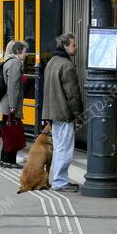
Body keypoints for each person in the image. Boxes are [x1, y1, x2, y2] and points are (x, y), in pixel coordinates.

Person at [42, 33, 84, 193]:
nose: (76, 47)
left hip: (52, 111)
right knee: (64, 148)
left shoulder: (52, 62)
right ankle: (60, 182)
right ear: (65, 46)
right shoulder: (67, 65)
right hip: (64, 113)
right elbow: (73, 94)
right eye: (73, 45)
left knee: (59, 146)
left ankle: (59, 180)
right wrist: (78, 114)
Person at [0, 40, 28, 168]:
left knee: (8, 133)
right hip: (10, 106)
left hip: (5, 104)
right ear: (18, 52)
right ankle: (10, 161)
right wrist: (13, 107)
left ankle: (5, 160)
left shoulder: (7, 61)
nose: (26, 55)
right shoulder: (15, 63)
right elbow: (13, 86)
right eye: (25, 52)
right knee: (13, 134)